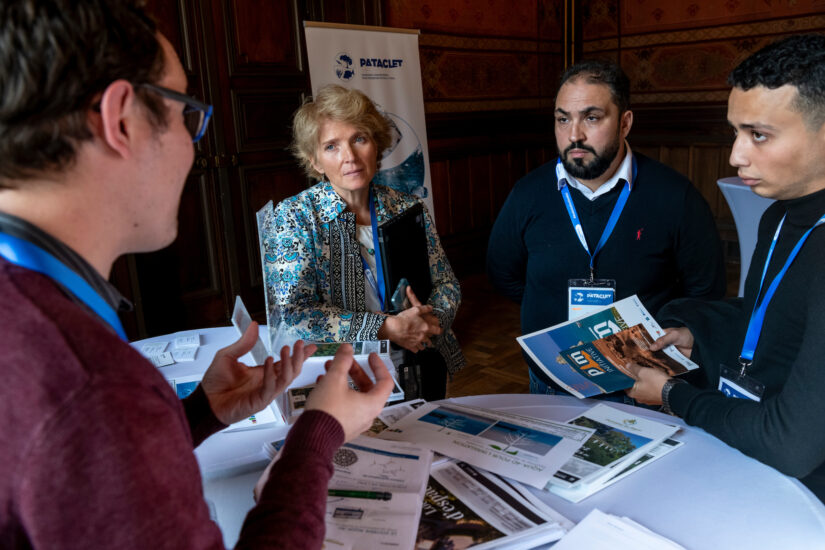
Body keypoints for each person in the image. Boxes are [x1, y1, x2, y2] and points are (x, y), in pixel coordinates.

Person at [0, 2, 393, 548]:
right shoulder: (87, 383)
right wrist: (316, 436)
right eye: (186, 113)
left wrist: (200, 413)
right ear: (120, 119)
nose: (194, 143)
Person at [620, 33, 825, 502]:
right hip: (755, 461)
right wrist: (697, 332)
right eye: (735, 132)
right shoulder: (779, 213)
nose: (736, 155)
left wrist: (674, 395)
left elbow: (791, 443)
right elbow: (768, 313)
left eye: (759, 135)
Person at [487, 60, 726, 396]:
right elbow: (504, 274)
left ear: (625, 123)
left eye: (592, 117)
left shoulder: (675, 196)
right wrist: (550, 309)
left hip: (642, 380)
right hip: (554, 377)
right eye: (563, 119)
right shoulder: (528, 193)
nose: (574, 135)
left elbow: (705, 291)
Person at [260, 84, 465, 401]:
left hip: (420, 362)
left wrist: (424, 326)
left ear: (377, 147)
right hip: (343, 376)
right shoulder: (294, 217)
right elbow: (295, 315)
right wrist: (387, 328)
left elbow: (446, 283)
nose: (350, 157)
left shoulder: (409, 208)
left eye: (359, 139)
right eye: (331, 147)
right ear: (315, 161)